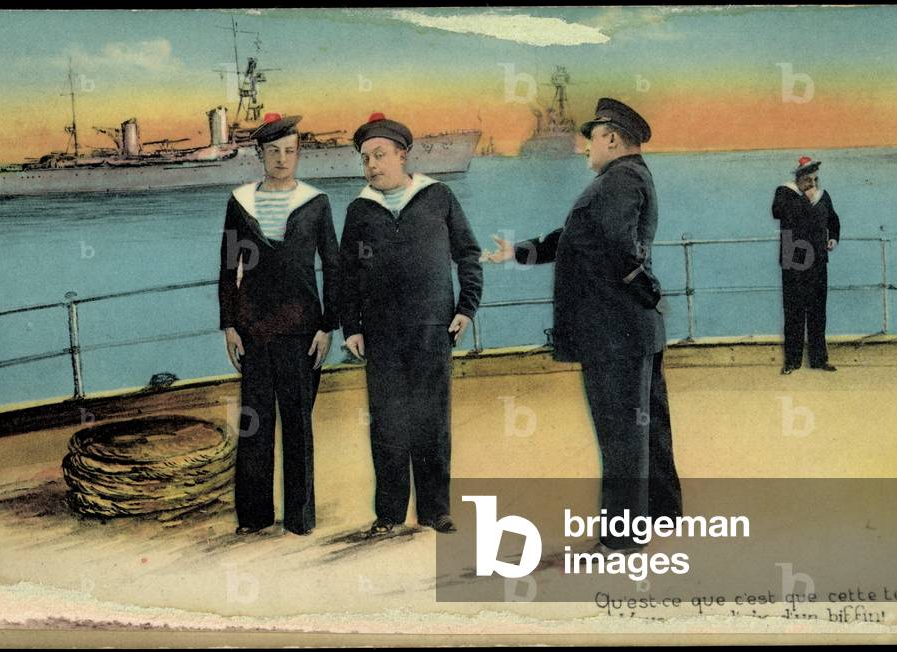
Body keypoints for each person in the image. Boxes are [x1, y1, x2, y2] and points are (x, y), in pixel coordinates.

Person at [483, 98, 682, 554]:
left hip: (615, 334)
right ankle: (664, 513)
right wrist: (516, 252)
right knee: (646, 424)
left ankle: (623, 537)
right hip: (632, 330)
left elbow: (619, 248)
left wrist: (648, 293)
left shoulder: (619, 179)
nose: (584, 146)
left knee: (621, 434)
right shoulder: (623, 178)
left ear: (611, 137)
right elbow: (574, 240)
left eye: (590, 136)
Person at [338, 112, 483, 536]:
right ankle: (389, 514)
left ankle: (436, 511)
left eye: (379, 155)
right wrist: (352, 327)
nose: (371, 166)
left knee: (432, 421)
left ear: (402, 155)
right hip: (380, 335)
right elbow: (346, 275)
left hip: (432, 328)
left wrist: (466, 308)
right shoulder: (359, 210)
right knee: (387, 424)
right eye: (365, 159)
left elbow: (468, 254)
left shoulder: (438, 197)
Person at [218, 112, 340, 536]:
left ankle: (300, 519)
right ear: (260, 154)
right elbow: (226, 268)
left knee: (298, 426)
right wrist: (229, 325)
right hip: (254, 330)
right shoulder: (240, 203)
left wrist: (328, 325)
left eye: (290, 151)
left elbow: (334, 267)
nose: (282, 159)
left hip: (303, 331)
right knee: (255, 424)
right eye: (274, 152)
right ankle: (253, 517)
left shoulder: (317, 203)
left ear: (298, 154)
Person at [772, 156, 841, 374]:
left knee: (818, 311)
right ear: (800, 178)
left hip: (818, 261)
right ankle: (792, 361)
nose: (813, 183)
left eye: (815, 178)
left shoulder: (823, 195)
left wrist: (833, 237)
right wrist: (804, 198)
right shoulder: (784, 193)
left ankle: (819, 359)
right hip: (794, 260)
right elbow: (777, 213)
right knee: (793, 311)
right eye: (809, 179)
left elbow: (833, 219)